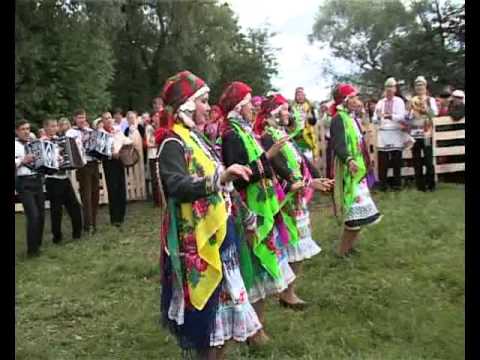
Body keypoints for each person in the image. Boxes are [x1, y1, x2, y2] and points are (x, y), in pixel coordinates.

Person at [156, 71, 262, 359]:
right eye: (203, 101)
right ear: (186, 106)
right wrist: (216, 180)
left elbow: (224, 185)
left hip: (219, 238)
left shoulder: (197, 139)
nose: (209, 106)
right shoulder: (172, 143)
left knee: (222, 320)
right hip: (197, 245)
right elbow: (175, 184)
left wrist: (245, 215)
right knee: (208, 322)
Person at [219, 81, 297, 342]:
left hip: (262, 206)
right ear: (239, 108)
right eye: (249, 104)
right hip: (247, 210)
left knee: (262, 269)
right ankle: (255, 333)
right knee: (253, 268)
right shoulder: (231, 135)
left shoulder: (246, 131)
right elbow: (238, 178)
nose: (254, 108)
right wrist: (268, 155)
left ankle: (258, 328)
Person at [254, 93, 333, 306]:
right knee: (290, 245)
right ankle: (284, 293)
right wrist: (306, 184)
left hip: (295, 197)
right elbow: (278, 167)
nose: (288, 112)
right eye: (284, 109)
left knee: (297, 246)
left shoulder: (280, 133)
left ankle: (287, 291)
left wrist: (316, 177)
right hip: (285, 198)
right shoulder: (268, 137)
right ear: (273, 113)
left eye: (288, 109)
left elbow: (300, 160)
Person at [330, 84, 382, 256]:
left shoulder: (352, 118)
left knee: (359, 216)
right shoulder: (338, 119)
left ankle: (349, 249)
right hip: (348, 171)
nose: (357, 101)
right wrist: (349, 159)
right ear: (346, 100)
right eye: (354, 97)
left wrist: (366, 160)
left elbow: (360, 143)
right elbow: (338, 144)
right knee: (353, 216)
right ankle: (342, 253)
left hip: (358, 172)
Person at [43, 119, 83, 243]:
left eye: (56, 126)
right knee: (56, 210)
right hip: (52, 180)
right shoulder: (42, 143)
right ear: (45, 128)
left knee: (75, 206)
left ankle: (77, 234)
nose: (55, 128)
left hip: (64, 178)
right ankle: (57, 237)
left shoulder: (62, 140)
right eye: (52, 126)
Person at [66, 109, 100, 234]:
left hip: (93, 163)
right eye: (79, 117)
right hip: (82, 165)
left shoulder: (90, 131)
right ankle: (88, 224)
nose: (82, 120)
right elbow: (70, 149)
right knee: (86, 195)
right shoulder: (71, 133)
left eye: (84, 117)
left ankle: (94, 222)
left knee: (95, 193)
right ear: (74, 118)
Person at [15, 119, 45, 257]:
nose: (26, 131)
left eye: (28, 128)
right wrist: (22, 160)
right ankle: (32, 251)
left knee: (41, 215)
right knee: (33, 215)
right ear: (17, 131)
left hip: (37, 180)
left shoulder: (34, 143)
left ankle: (37, 244)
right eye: (23, 129)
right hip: (24, 182)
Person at [372, 78, 408, 191]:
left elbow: (402, 116)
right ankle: (383, 184)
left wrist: (389, 116)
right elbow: (374, 119)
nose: (389, 90)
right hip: (383, 132)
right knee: (383, 160)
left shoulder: (399, 101)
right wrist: (378, 116)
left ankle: (397, 184)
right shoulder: (380, 102)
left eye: (391, 87)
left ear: (395, 89)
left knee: (396, 159)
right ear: (385, 89)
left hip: (396, 132)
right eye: (387, 87)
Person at [100, 112, 132, 227]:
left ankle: (122, 216)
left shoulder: (117, 130)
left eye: (110, 118)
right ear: (102, 121)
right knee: (113, 188)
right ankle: (115, 218)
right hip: (109, 162)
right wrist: (111, 154)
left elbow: (126, 140)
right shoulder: (101, 133)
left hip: (120, 160)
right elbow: (101, 150)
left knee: (121, 187)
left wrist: (128, 144)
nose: (109, 120)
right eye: (106, 118)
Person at [408, 76, 439, 192]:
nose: (419, 87)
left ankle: (431, 184)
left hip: (426, 134)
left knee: (428, 160)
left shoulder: (430, 100)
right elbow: (408, 116)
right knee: (416, 160)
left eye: (421, 85)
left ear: (425, 86)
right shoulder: (412, 100)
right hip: (415, 134)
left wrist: (426, 109)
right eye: (417, 85)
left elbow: (434, 113)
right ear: (415, 88)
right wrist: (410, 113)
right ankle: (420, 186)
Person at [289, 87, 319, 164]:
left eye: (301, 94)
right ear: (295, 96)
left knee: (308, 162)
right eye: (298, 94)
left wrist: (310, 117)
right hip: (295, 137)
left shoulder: (309, 106)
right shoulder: (291, 107)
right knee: (297, 162)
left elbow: (314, 122)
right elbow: (288, 123)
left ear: (304, 96)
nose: (300, 96)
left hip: (307, 137)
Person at [145, 112, 160, 206]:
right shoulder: (149, 128)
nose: (157, 118)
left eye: (158, 116)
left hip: (160, 155)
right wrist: (156, 145)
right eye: (155, 116)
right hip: (152, 155)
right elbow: (148, 143)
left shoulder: (161, 127)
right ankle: (156, 201)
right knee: (154, 179)